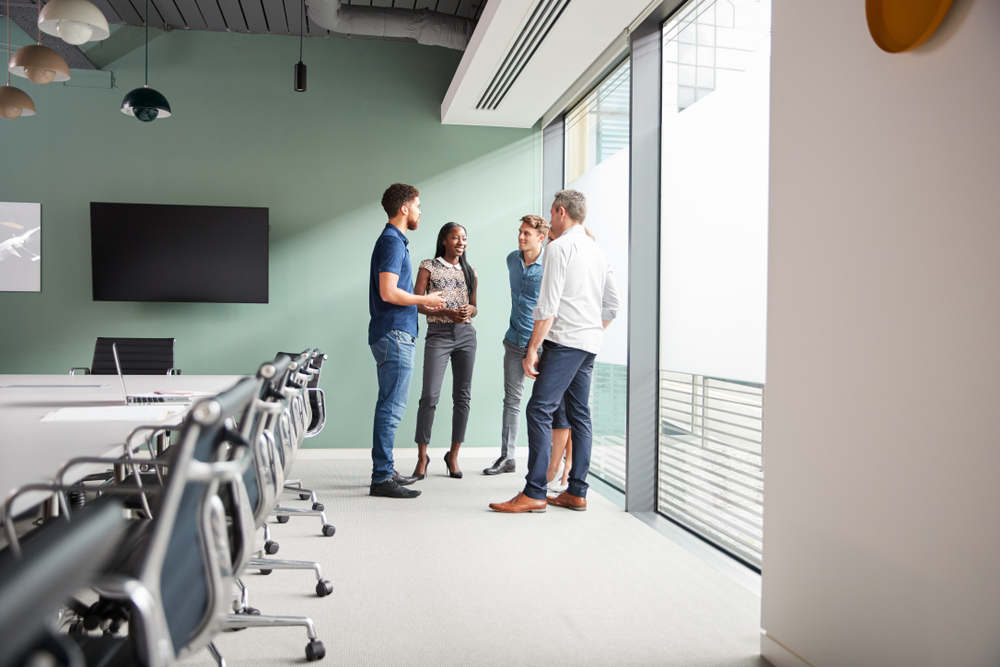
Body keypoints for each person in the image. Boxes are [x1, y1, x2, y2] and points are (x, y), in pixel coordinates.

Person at [489, 190, 619, 513]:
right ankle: (576, 492)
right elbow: (612, 305)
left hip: (564, 344)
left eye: (552, 213)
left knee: (538, 409)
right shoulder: (597, 252)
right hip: (589, 345)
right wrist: (589, 329)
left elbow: (547, 307)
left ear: (561, 212)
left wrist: (532, 348)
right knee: (580, 415)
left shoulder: (558, 248)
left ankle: (534, 491)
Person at [368, 183, 445, 499]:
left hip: (394, 332)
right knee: (392, 407)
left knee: (390, 404)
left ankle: (384, 469)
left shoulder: (393, 241)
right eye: (417, 206)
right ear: (404, 208)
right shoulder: (392, 242)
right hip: (394, 334)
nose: (419, 211)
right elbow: (388, 292)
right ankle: (381, 477)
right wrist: (422, 300)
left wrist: (419, 302)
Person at [483, 214, 550, 476]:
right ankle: (507, 457)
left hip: (543, 344)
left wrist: (536, 346)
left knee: (546, 404)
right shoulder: (512, 259)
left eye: (527, 234)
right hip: (514, 341)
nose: (521, 237)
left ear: (541, 238)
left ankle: (551, 462)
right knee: (511, 401)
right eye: (520, 232)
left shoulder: (550, 265)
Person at [410, 222, 478, 480]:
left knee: (462, 397)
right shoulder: (428, 266)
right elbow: (417, 303)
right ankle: (422, 457)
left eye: (464, 238)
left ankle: (453, 456)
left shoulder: (470, 271)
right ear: (443, 240)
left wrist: (467, 311)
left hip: (466, 336)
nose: (461, 242)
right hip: (438, 335)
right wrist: (447, 312)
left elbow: (474, 307)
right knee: (429, 396)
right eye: (455, 237)